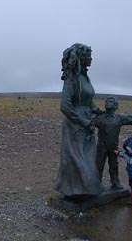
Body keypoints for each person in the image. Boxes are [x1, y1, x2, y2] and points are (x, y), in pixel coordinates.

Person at [54, 43, 104, 200]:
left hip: (87, 122)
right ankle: (74, 191)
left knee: (88, 159)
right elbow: (65, 106)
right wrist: (83, 121)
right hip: (75, 126)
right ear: (80, 58)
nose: (91, 58)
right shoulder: (72, 79)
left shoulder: (85, 77)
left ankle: (85, 190)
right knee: (77, 160)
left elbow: (88, 100)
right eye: (88, 55)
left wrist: (98, 111)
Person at [93, 96, 132, 189]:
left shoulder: (119, 118)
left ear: (115, 106)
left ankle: (115, 181)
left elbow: (131, 118)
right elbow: (87, 123)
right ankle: (96, 182)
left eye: (110, 101)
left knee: (114, 165)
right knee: (99, 165)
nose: (107, 103)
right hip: (101, 146)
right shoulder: (100, 118)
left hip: (113, 147)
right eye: (106, 101)